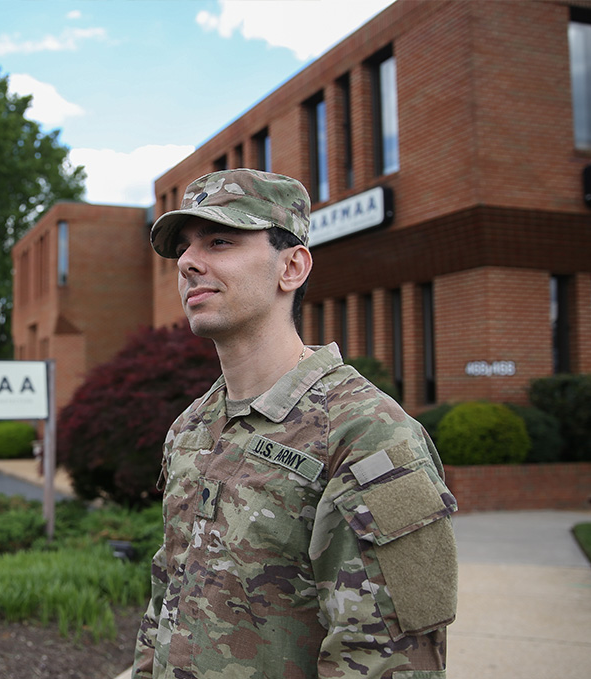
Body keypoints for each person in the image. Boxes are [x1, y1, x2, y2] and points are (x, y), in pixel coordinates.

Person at [133, 169, 458, 679]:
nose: (189, 262)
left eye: (220, 241)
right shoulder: (191, 429)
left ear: (292, 266)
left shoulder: (366, 434)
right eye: (185, 250)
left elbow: (388, 662)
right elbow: (164, 601)